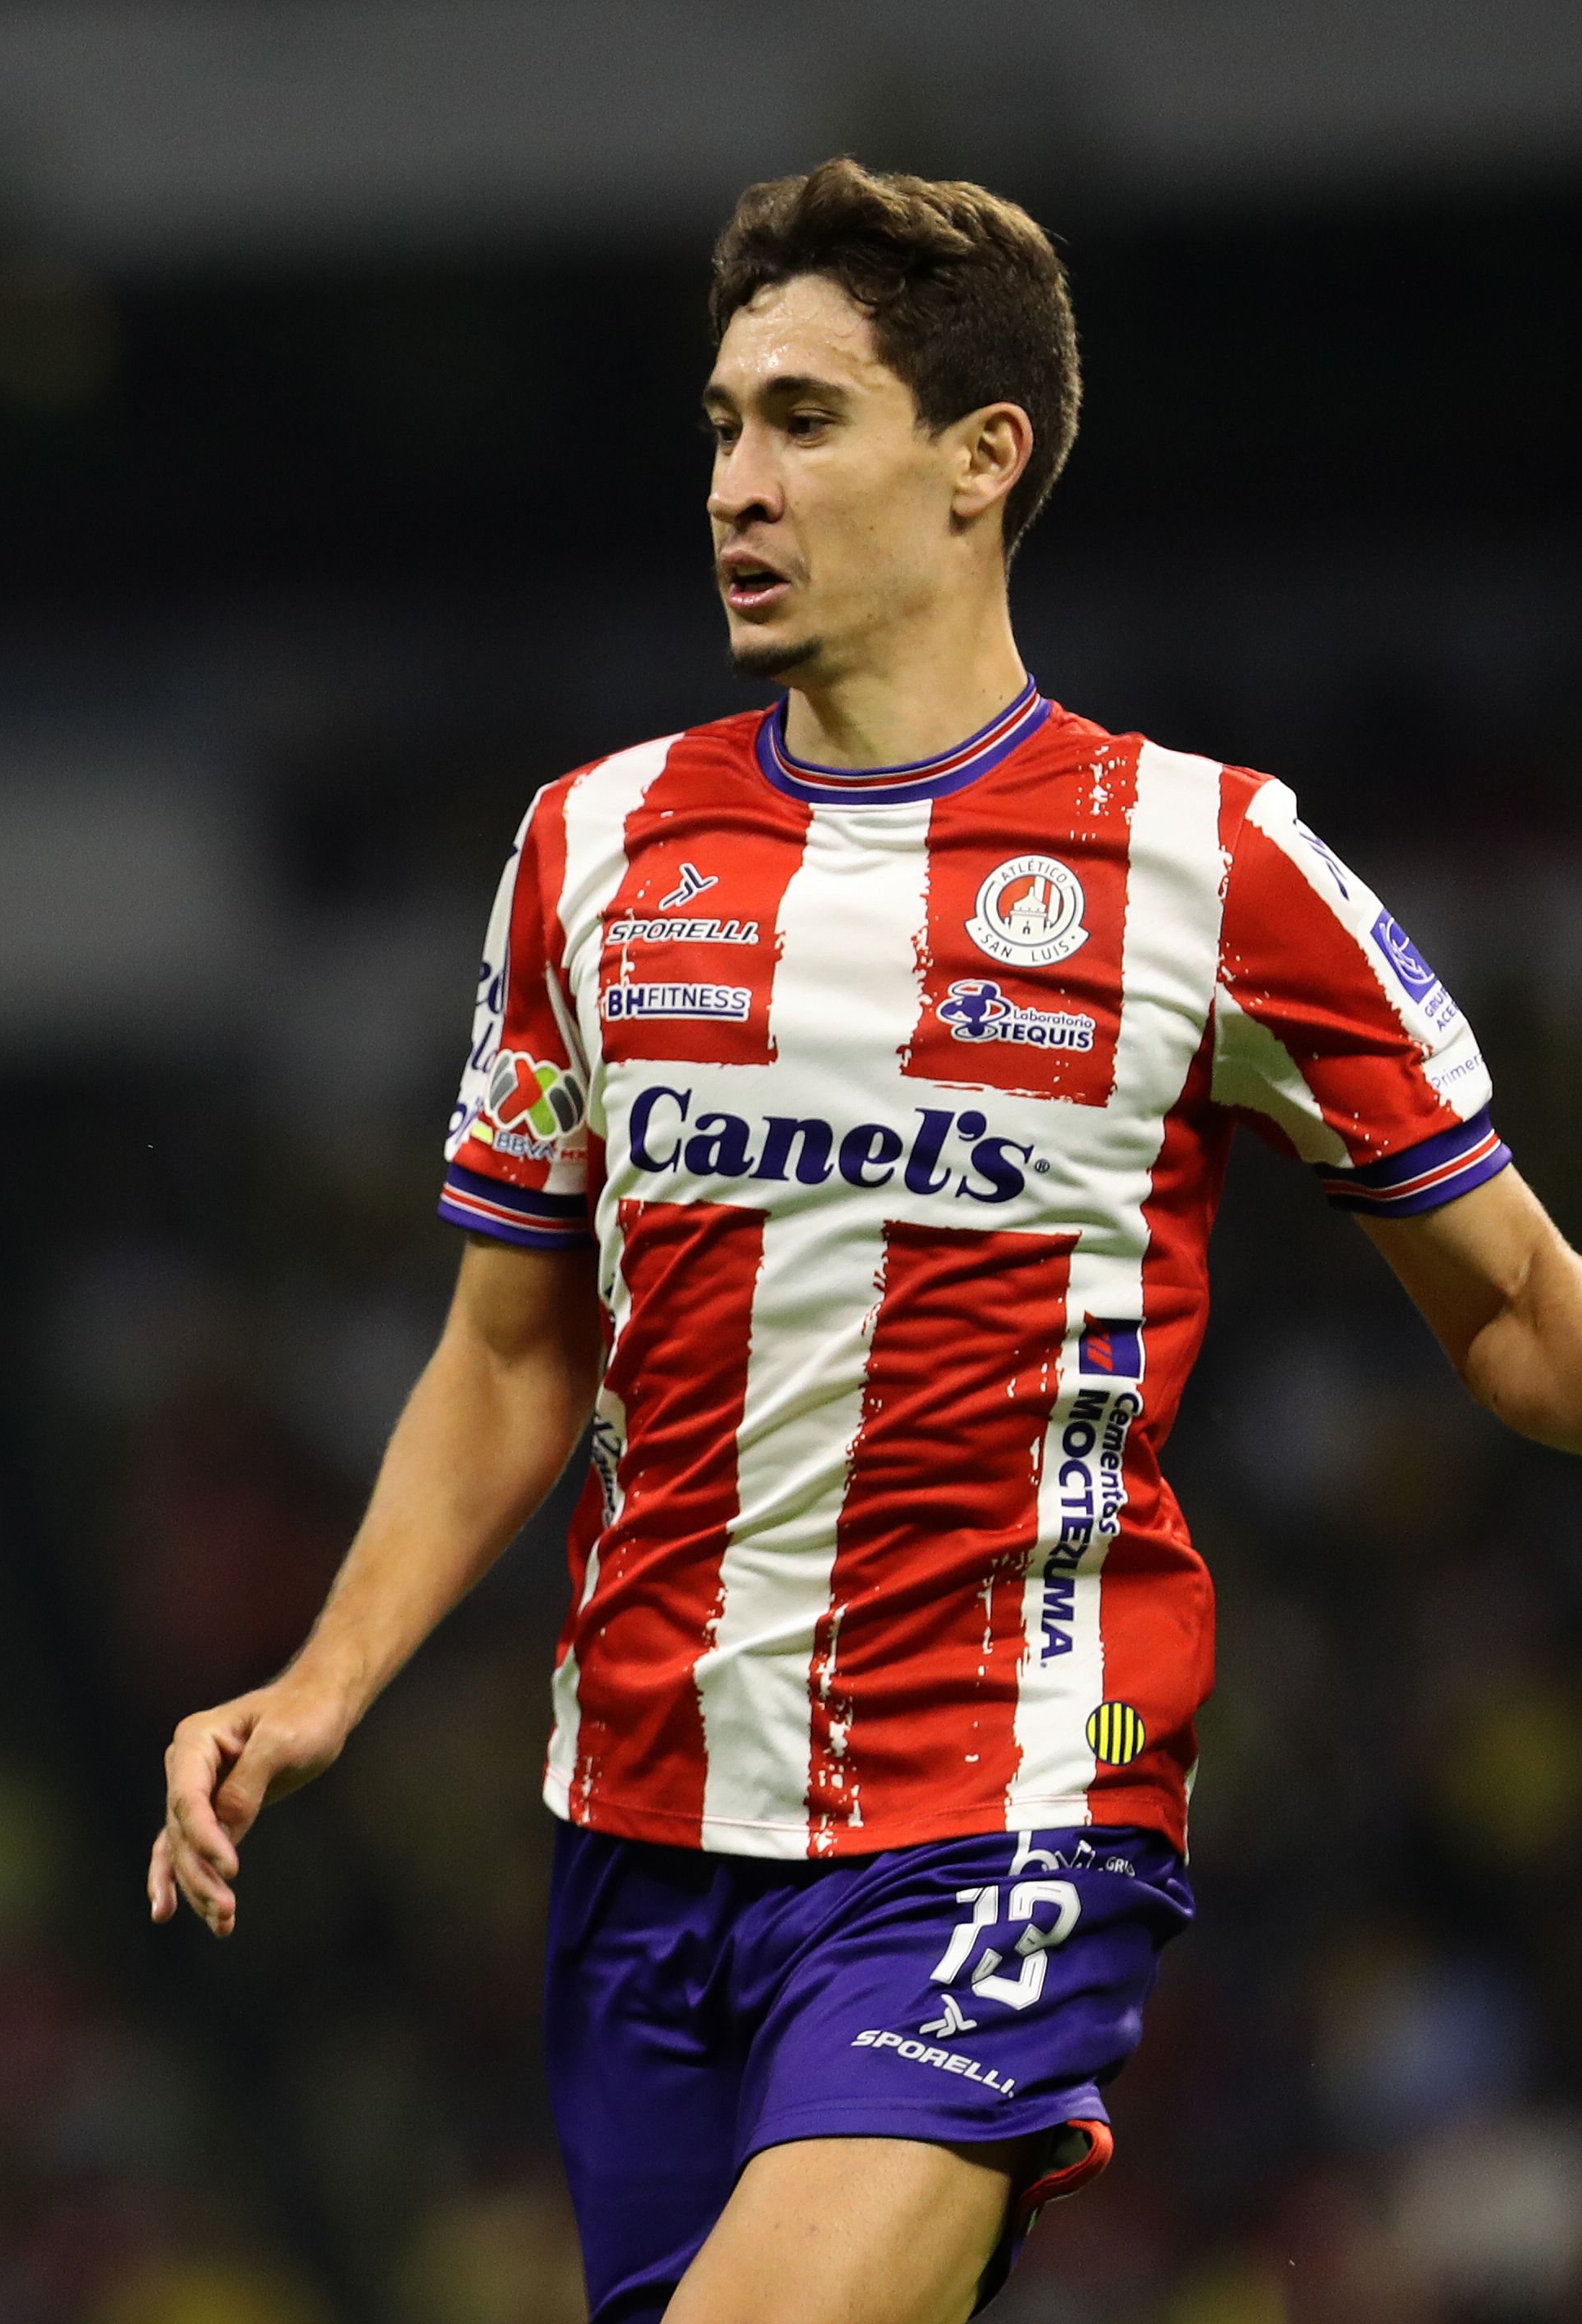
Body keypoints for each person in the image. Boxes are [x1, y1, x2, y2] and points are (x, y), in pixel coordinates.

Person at [149, 159, 1582, 2322]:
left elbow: (1526, 1328)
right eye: (725, 425)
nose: (739, 483)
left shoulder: (1210, 864)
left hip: (1002, 1814)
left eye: (808, 422)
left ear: (982, 458)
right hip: (637, 1837)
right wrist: (327, 1680)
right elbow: (515, 1348)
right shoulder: (592, 850)